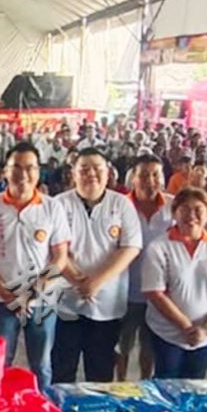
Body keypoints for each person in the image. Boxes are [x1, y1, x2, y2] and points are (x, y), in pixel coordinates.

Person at [0, 142, 70, 391]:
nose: (23, 174)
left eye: (30, 168)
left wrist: (32, 293)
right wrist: (3, 290)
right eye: (16, 167)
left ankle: (42, 405)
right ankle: (1, 407)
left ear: (39, 172)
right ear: (5, 171)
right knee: (1, 363)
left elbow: (60, 257)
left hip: (42, 301)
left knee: (41, 364)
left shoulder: (52, 207)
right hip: (2, 300)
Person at [53, 149, 143, 383]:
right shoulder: (59, 204)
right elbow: (55, 248)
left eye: (97, 168)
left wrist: (96, 282)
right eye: (84, 169)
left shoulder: (122, 204)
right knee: (62, 369)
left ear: (108, 172)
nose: (91, 174)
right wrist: (78, 280)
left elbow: (131, 247)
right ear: (73, 174)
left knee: (100, 372)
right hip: (65, 302)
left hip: (108, 303)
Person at [141, 188, 207, 379]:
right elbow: (155, 293)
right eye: (184, 209)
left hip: (206, 335)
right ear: (174, 212)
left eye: (198, 209)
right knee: (167, 382)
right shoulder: (159, 247)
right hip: (167, 333)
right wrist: (186, 327)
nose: (191, 215)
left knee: (196, 383)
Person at [116, 154, 172, 381]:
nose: (150, 180)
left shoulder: (174, 206)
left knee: (150, 347)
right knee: (121, 345)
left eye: (156, 175)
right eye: (144, 175)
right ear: (133, 178)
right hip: (124, 290)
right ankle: (120, 383)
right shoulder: (119, 206)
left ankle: (145, 384)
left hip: (160, 293)